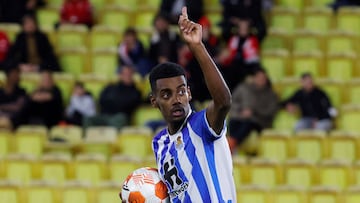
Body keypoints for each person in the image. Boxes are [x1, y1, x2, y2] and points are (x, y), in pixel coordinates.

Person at [150, 7, 236, 202]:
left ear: (189, 93)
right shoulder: (159, 143)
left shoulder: (202, 125)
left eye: (181, 91)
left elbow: (223, 102)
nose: (176, 98)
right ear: (154, 101)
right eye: (166, 94)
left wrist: (197, 46)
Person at [227, 67, 279, 153]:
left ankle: (231, 144)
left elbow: (271, 111)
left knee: (248, 124)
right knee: (233, 121)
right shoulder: (243, 88)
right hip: (240, 117)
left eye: (263, 78)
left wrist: (253, 111)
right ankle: (232, 144)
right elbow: (233, 103)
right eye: (259, 78)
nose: (261, 80)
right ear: (254, 78)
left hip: (259, 121)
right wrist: (241, 111)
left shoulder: (271, 94)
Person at [217, 17, 260, 91]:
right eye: (241, 27)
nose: (243, 29)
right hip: (234, 66)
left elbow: (251, 58)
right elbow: (229, 54)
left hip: (248, 67)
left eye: (245, 27)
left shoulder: (253, 40)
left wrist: (233, 55)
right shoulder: (234, 39)